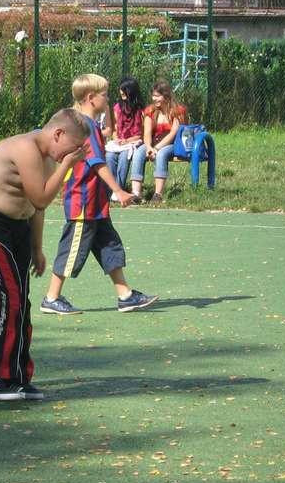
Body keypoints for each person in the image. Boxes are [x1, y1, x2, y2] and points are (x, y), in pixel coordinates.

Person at [0, 108, 91, 401]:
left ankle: (16, 376)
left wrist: (36, 248)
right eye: (71, 148)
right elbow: (41, 198)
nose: (70, 155)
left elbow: (35, 209)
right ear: (58, 134)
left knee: (21, 300)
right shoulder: (25, 148)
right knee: (7, 297)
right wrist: (66, 165)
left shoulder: (48, 156)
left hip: (16, 229)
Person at [40, 73, 157, 316]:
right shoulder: (86, 126)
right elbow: (97, 163)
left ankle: (125, 296)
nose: (109, 98)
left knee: (109, 245)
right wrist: (119, 191)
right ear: (91, 98)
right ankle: (51, 298)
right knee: (72, 250)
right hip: (83, 202)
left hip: (96, 203)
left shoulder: (88, 124)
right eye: (105, 95)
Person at [129, 80, 187, 204]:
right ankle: (136, 193)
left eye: (157, 96)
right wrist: (149, 147)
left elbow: (174, 133)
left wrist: (157, 148)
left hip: (173, 144)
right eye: (153, 96)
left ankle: (158, 194)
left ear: (166, 96)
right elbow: (147, 133)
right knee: (138, 152)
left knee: (161, 154)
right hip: (153, 143)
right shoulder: (150, 111)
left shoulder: (177, 110)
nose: (154, 99)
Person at [104, 77, 144, 199]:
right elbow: (114, 129)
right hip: (119, 142)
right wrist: (116, 138)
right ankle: (109, 189)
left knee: (124, 157)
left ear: (131, 91)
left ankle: (119, 189)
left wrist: (127, 141)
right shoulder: (117, 108)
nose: (121, 91)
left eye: (124, 89)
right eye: (121, 89)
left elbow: (141, 134)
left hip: (133, 142)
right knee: (110, 156)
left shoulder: (140, 110)